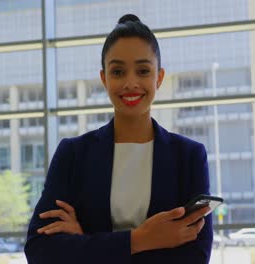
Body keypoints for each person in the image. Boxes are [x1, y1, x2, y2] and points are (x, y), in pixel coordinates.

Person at [25, 14, 213, 264]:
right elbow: (40, 251)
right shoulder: (73, 154)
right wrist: (141, 239)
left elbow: (195, 257)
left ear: (159, 77)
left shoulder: (188, 156)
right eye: (118, 71)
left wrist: (85, 241)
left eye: (143, 70)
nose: (131, 82)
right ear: (104, 78)